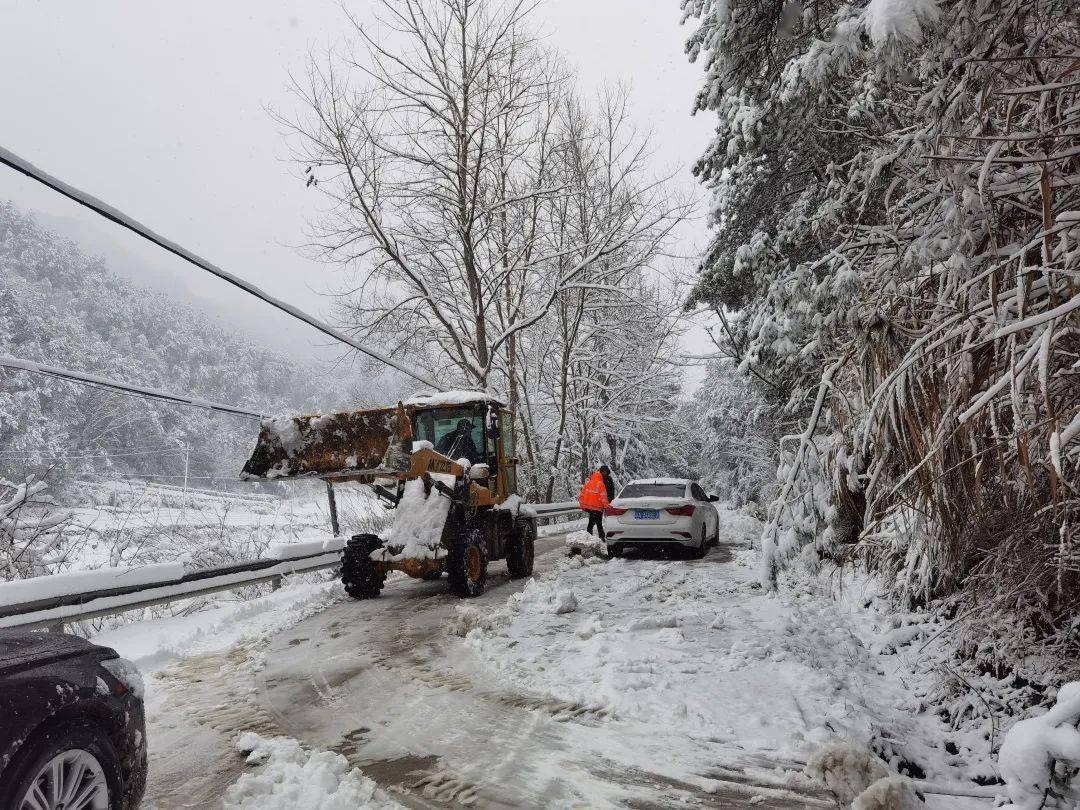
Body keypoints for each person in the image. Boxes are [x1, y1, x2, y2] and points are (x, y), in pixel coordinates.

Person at [578, 464, 615, 541]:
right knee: (597, 522)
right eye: (603, 472)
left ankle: (590, 536)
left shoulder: (589, 482)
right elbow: (603, 495)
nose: (604, 473)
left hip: (592, 506)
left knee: (594, 521)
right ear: (601, 472)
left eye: (606, 472)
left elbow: (582, 494)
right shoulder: (600, 483)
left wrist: (582, 504)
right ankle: (600, 537)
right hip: (599, 505)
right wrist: (607, 505)